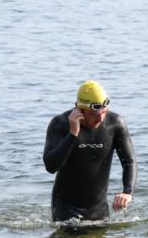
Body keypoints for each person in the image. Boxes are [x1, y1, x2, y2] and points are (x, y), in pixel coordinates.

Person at [43, 80, 136, 223]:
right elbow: (51, 166)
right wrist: (73, 134)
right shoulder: (60, 124)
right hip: (66, 209)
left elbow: (129, 162)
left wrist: (127, 192)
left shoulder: (115, 124)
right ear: (79, 109)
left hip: (99, 210)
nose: (100, 118)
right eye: (94, 113)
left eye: (104, 112)